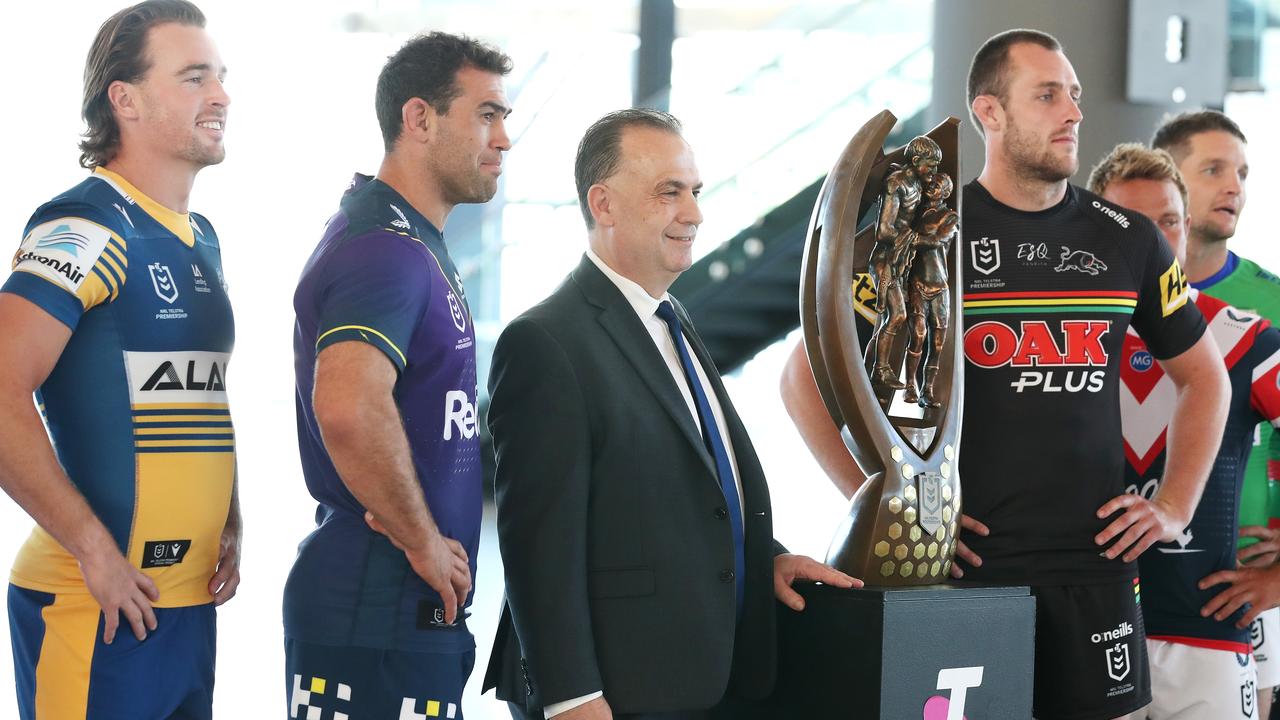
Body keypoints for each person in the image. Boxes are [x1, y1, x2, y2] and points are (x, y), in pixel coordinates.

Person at [781, 29, 1230, 720]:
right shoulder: (923, 237)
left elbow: (1206, 379)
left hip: (1095, 574)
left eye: (1075, 96)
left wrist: (1173, 506)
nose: (1073, 112)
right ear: (989, 113)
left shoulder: (1129, 239)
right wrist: (889, 507)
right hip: (960, 579)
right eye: (1047, 95)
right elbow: (802, 380)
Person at [483, 108, 856, 720]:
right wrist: (572, 697)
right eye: (669, 192)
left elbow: (697, 487)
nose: (695, 213)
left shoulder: (671, 321)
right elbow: (536, 548)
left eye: (696, 191)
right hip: (617, 695)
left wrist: (761, 558)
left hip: (710, 678)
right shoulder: (546, 343)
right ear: (603, 205)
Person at [0, 2, 238, 718]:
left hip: (187, 606)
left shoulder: (201, 236)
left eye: (221, 77)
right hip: (94, 606)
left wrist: (232, 515)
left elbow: (198, 393)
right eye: (194, 77)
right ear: (125, 99)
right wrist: (96, 555)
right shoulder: (86, 222)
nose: (221, 95)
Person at [283, 32, 512, 720]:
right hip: (372, 606)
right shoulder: (385, 250)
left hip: (398, 612)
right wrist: (420, 540)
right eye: (486, 114)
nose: (504, 139)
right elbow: (350, 409)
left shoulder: (413, 243)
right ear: (419, 119)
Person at [1089, 142, 1280, 719]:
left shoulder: (1247, 336)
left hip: (1208, 631)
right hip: (1086, 629)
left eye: (1167, 222)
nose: (1153, 242)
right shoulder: (1061, 336)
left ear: (1186, 226)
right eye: (1131, 225)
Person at [1151, 110, 1280, 719]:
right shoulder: (1099, 303)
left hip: (1236, 592)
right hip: (1123, 602)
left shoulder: (1269, 305)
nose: (1236, 186)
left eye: (1243, 173)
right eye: (1214, 169)